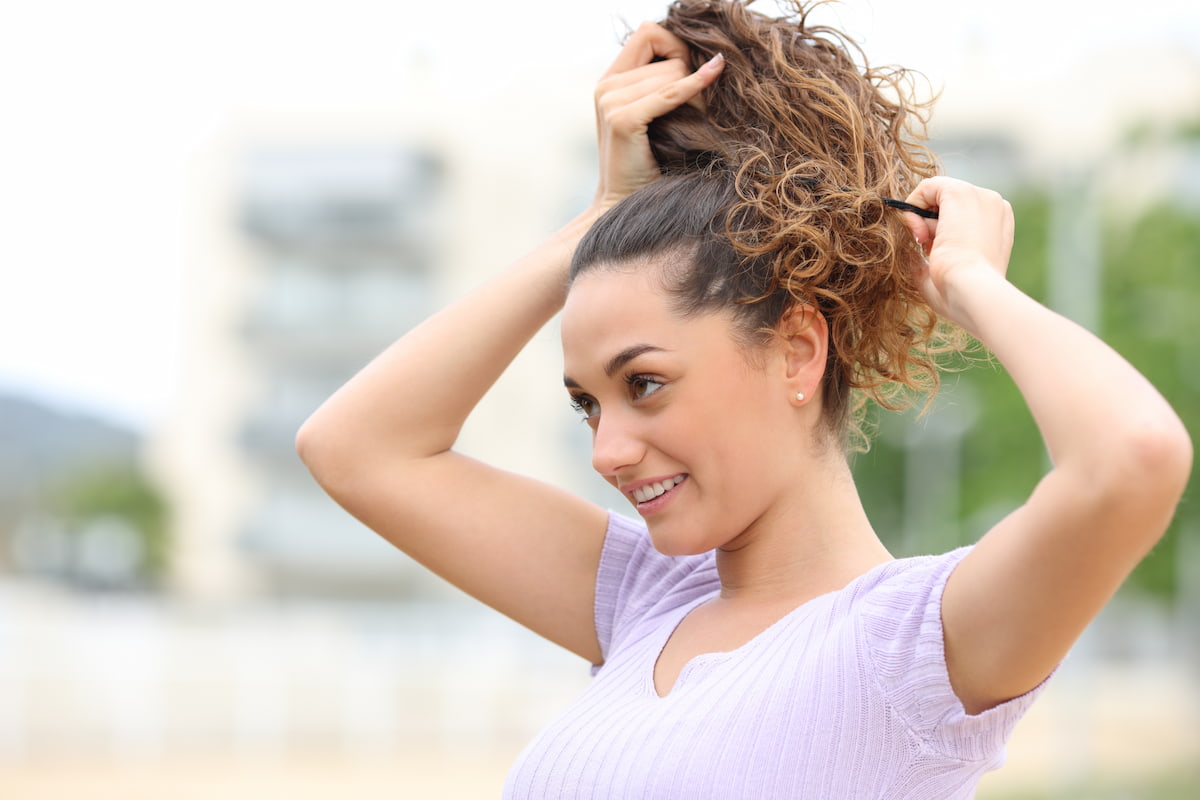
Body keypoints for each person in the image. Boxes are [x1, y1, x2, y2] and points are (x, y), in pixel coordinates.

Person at [296, 1, 1192, 797]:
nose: (607, 451)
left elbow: (1134, 457)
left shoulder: (915, 650)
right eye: (588, 405)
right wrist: (599, 219)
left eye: (645, 384)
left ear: (798, 349)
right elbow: (355, 448)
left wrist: (967, 281)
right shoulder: (644, 602)